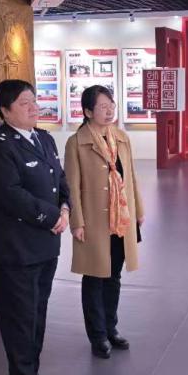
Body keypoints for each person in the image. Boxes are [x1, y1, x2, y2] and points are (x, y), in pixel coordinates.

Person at [0, 79, 70, 375]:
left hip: (45, 244)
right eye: (24, 103)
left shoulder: (43, 138)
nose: (34, 107)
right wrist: (52, 216)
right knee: (19, 318)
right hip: (16, 248)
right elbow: (11, 194)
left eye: (34, 100)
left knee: (38, 314)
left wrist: (65, 208)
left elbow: (60, 180)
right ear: (5, 111)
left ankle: (29, 373)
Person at [64, 86, 145, 359]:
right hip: (94, 221)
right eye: (102, 106)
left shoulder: (121, 137)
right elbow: (71, 187)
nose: (109, 111)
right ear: (88, 111)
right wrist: (77, 221)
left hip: (121, 218)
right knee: (95, 277)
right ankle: (97, 335)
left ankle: (111, 328)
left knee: (114, 276)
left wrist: (138, 209)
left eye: (112, 105)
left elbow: (131, 177)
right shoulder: (76, 143)